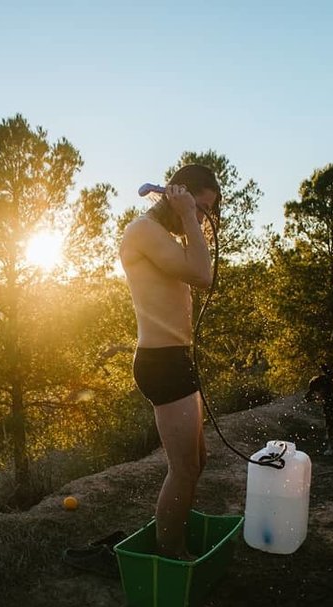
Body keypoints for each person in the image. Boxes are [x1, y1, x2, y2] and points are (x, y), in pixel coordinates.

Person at [119, 164, 220, 559]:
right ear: (179, 196)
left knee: (197, 461)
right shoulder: (143, 231)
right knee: (183, 469)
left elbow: (196, 264)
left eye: (208, 213)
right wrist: (186, 215)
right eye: (201, 207)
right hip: (161, 362)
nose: (203, 219)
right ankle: (170, 554)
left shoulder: (164, 235)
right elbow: (202, 274)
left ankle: (174, 532)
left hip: (177, 359)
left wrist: (188, 217)